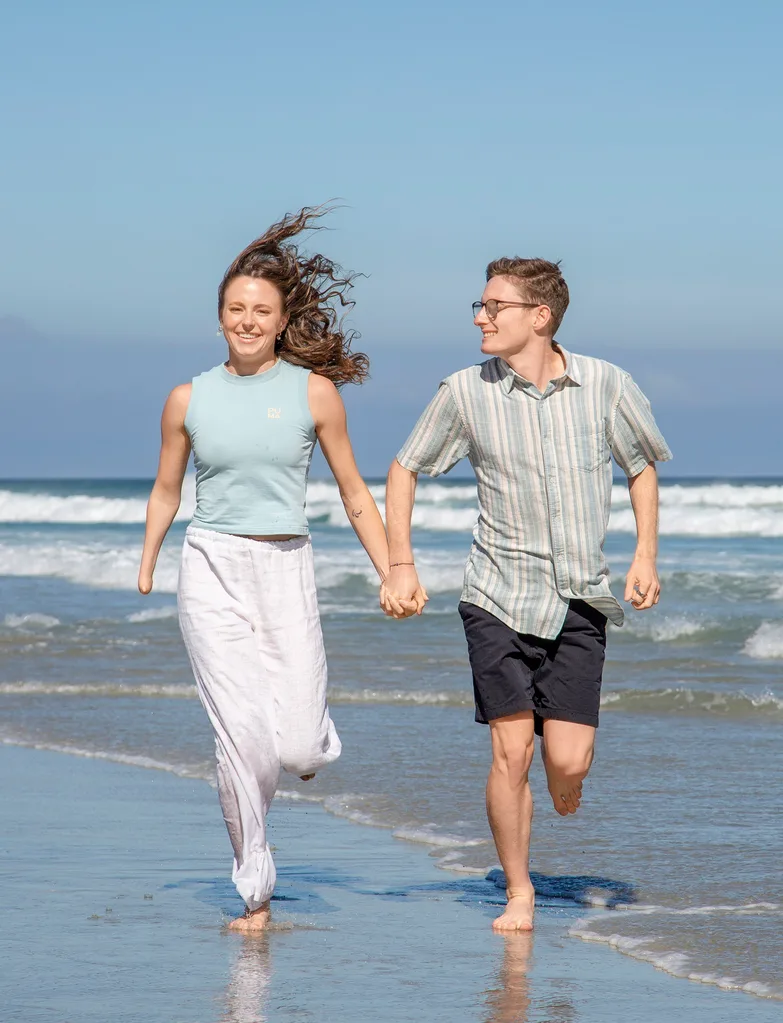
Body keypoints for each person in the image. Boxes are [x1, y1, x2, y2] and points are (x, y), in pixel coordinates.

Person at [382, 257, 672, 932]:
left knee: (565, 763)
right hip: (495, 593)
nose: (479, 317)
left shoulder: (604, 383)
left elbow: (640, 466)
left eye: (493, 306)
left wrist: (644, 553)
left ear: (539, 316)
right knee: (509, 751)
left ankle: (562, 781)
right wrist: (401, 562)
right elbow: (404, 467)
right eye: (478, 307)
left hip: (578, 597)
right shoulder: (462, 391)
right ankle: (519, 891)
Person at [138, 206, 394, 931]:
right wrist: (150, 557)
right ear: (219, 315)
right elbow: (165, 487)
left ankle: (302, 746)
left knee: (295, 744)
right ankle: (254, 888)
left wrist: (392, 570)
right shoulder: (187, 397)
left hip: (286, 565)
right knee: (239, 738)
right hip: (212, 563)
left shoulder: (313, 393)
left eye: (260, 311)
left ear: (282, 321)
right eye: (234, 309)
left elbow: (353, 492)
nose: (246, 321)